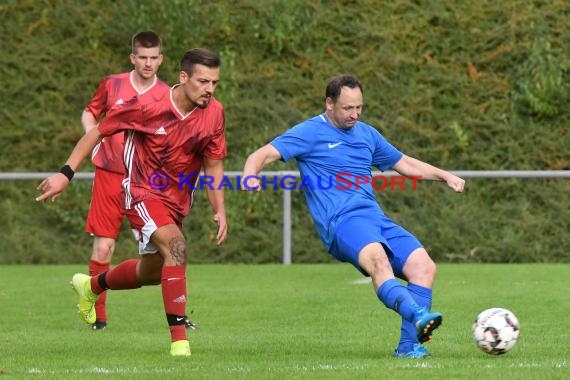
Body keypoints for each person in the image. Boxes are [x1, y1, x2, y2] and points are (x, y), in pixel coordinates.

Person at [241, 74, 465, 358]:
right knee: (379, 261)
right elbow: (262, 155)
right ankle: (418, 314)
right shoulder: (310, 132)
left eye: (359, 107)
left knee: (424, 266)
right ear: (330, 104)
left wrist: (444, 176)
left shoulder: (367, 134)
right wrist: (250, 176)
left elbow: (405, 163)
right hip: (341, 222)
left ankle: (409, 348)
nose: (355, 114)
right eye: (348, 108)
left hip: (374, 218)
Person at [36, 48, 228, 356]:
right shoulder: (146, 106)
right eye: (203, 81)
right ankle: (180, 342)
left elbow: (214, 164)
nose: (209, 89)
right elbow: (98, 131)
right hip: (141, 192)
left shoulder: (214, 112)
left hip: (175, 202)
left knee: (153, 272)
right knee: (177, 246)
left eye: (215, 83)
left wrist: (220, 209)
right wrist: (65, 173)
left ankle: (92, 285)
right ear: (183, 77)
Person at [82, 30, 198, 331]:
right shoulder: (112, 84)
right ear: (133, 57)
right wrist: (94, 140)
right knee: (104, 247)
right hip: (110, 174)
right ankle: (99, 317)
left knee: (168, 252)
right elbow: (90, 114)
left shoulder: (166, 94)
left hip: (146, 183)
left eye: (153, 58)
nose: (147, 63)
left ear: (161, 59)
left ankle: (179, 314)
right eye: (142, 57)